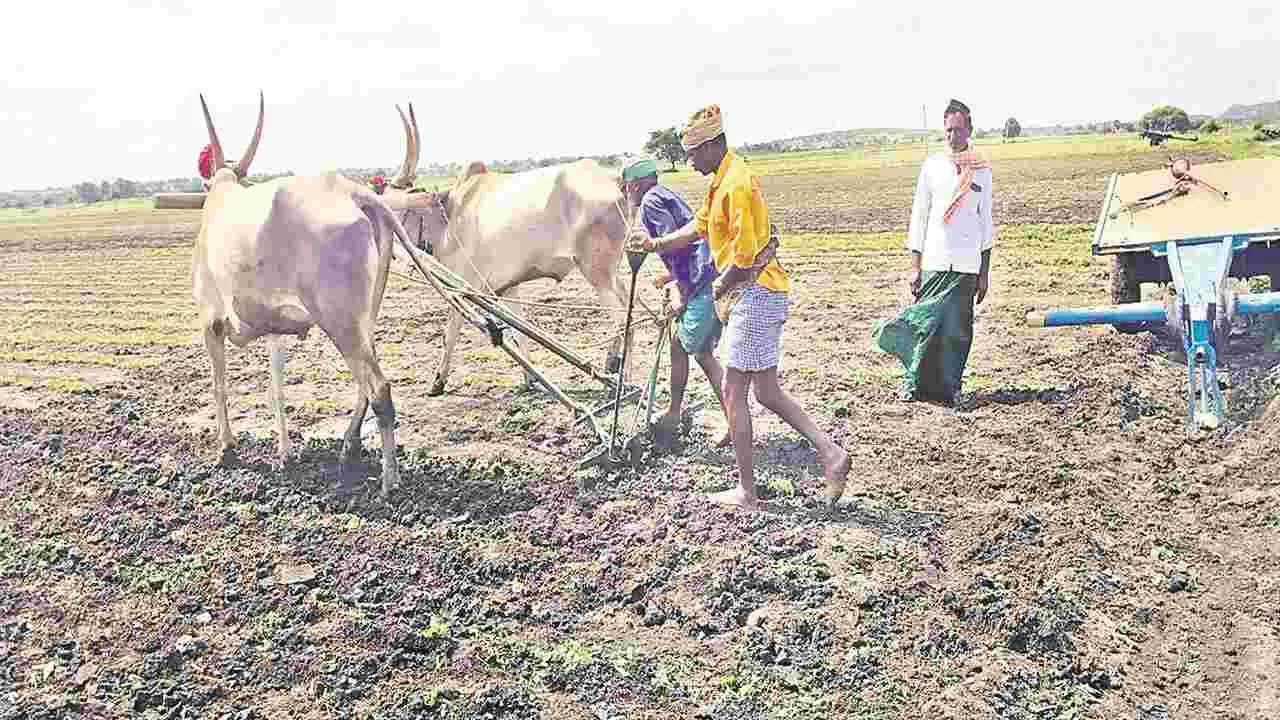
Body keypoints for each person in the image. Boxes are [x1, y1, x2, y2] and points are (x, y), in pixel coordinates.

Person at [633, 105, 851, 510]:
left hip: (757, 294)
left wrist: (714, 288)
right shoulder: (721, 181)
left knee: (734, 390)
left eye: (694, 152)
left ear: (714, 145)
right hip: (754, 295)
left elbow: (747, 258)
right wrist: (656, 246)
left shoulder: (736, 183)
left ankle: (747, 492)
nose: (689, 160)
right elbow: (698, 226)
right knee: (766, 392)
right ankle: (832, 454)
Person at [872, 98, 994, 407]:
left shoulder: (981, 170)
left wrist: (984, 272)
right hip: (935, 262)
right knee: (925, 327)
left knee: (957, 333)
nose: (953, 136)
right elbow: (919, 217)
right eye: (949, 130)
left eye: (959, 129)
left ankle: (950, 388)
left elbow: (985, 222)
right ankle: (913, 386)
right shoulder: (932, 167)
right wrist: (915, 266)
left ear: (970, 129)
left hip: (967, 265)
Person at [620, 156, 730, 449]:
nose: (627, 192)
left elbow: (677, 244)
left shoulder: (650, 203)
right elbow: (687, 243)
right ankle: (674, 411)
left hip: (701, 283)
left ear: (637, 184)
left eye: (627, 186)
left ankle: (733, 420)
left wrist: (681, 289)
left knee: (700, 354)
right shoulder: (663, 195)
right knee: (683, 347)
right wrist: (670, 277)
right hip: (707, 274)